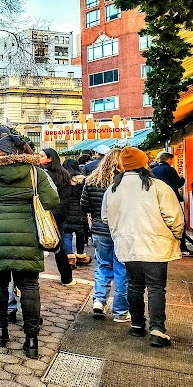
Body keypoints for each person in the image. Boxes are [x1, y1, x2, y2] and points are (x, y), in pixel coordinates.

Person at [0, 134, 59, 358]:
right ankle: (31, 340)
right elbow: (52, 200)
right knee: (29, 285)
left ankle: (1, 332)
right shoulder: (35, 172)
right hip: (28, 236)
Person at [102, 147, 183, 347]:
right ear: (143, 164)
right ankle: (157, 330)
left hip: (128, 246)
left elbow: (105, 217)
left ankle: (137, 325)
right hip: (157, 245)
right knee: (156, 288)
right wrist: (175, 236)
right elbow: (174, 218)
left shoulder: (112, 189)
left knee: (134, 285)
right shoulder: (158, 186)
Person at [81, 148, 129, 322]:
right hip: (121, 230)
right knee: (122, 269)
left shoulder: (92, 180)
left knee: (102, 266)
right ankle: (121, 311)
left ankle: (99, 301)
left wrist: (94, 215)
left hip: (99, 230)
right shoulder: (125, 182)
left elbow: (84, 204)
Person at [39, 148, 76, 286]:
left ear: (50, 158)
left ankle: (32, 279)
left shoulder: (41, 174)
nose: (39, 158)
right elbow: (66, 198)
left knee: (39, 245)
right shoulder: (64, 174)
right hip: (59, 215)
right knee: (59, 247)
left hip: (44, 214)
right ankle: (67, 277)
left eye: (42, 156)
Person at [151, 151, 192, 256]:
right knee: (179, 221)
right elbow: (178, 183)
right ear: (169, 160)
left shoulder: (153, 171)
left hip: (156, 201)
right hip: (171, 200)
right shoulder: (170, 169)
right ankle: (182, 247)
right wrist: (182, 178)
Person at [61, 159, 90, 266]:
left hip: (67, 210)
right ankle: (81, 255)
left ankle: (70, 257)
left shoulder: (63, 180)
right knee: (80, 234)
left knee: (67, 234)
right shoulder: (84, 180)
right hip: (80, 211)